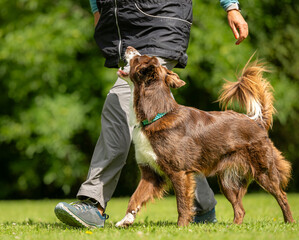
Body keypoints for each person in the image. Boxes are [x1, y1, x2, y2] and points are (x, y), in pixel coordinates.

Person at [54, 0, 248, 228]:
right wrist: (99, 10)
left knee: (118, 103)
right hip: (125, 27)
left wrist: (230, 5)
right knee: (174, 135)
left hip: (160, 19)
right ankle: (202, 206)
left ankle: (93, 203)